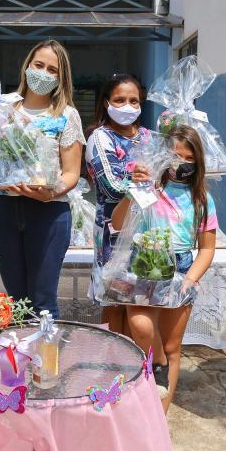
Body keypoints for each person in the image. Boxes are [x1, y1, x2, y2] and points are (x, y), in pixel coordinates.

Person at [111, 125, 218, 412]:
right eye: (174, 156)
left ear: (198, 163)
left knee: (173, 346)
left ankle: (161, 415)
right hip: (142, 262)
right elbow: (119, 224)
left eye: (188, 159)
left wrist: (190, 279)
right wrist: (133, 192)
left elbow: (207, 248)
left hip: (180, 267)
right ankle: (155, 362)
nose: (181, 164)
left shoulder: (202, 199)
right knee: (140, 324)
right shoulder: (149, 187)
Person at [0, 40, 85, 319]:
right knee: (16, 303)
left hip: (48, 212)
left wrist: (52, 192)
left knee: (43, 302)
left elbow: (71, 172)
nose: (43, 73)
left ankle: (46, 362)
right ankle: (19, 362)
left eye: (52, 70)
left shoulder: (67, 115)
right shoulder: (3, 108)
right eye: (38, 65)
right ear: (27, 67)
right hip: (6, 210)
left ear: (61, 78)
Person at [84, 73, 152, 334]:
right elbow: (111, 188)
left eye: (133, 101)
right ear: (106, 102)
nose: (127, 106)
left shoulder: (149, 137)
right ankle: (114, 358)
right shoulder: (100, 138)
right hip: (114, 232)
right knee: (115, 297)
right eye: (119, 100)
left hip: (148, 231)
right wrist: (138, 180)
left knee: (142, 300)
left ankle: (137, 362)